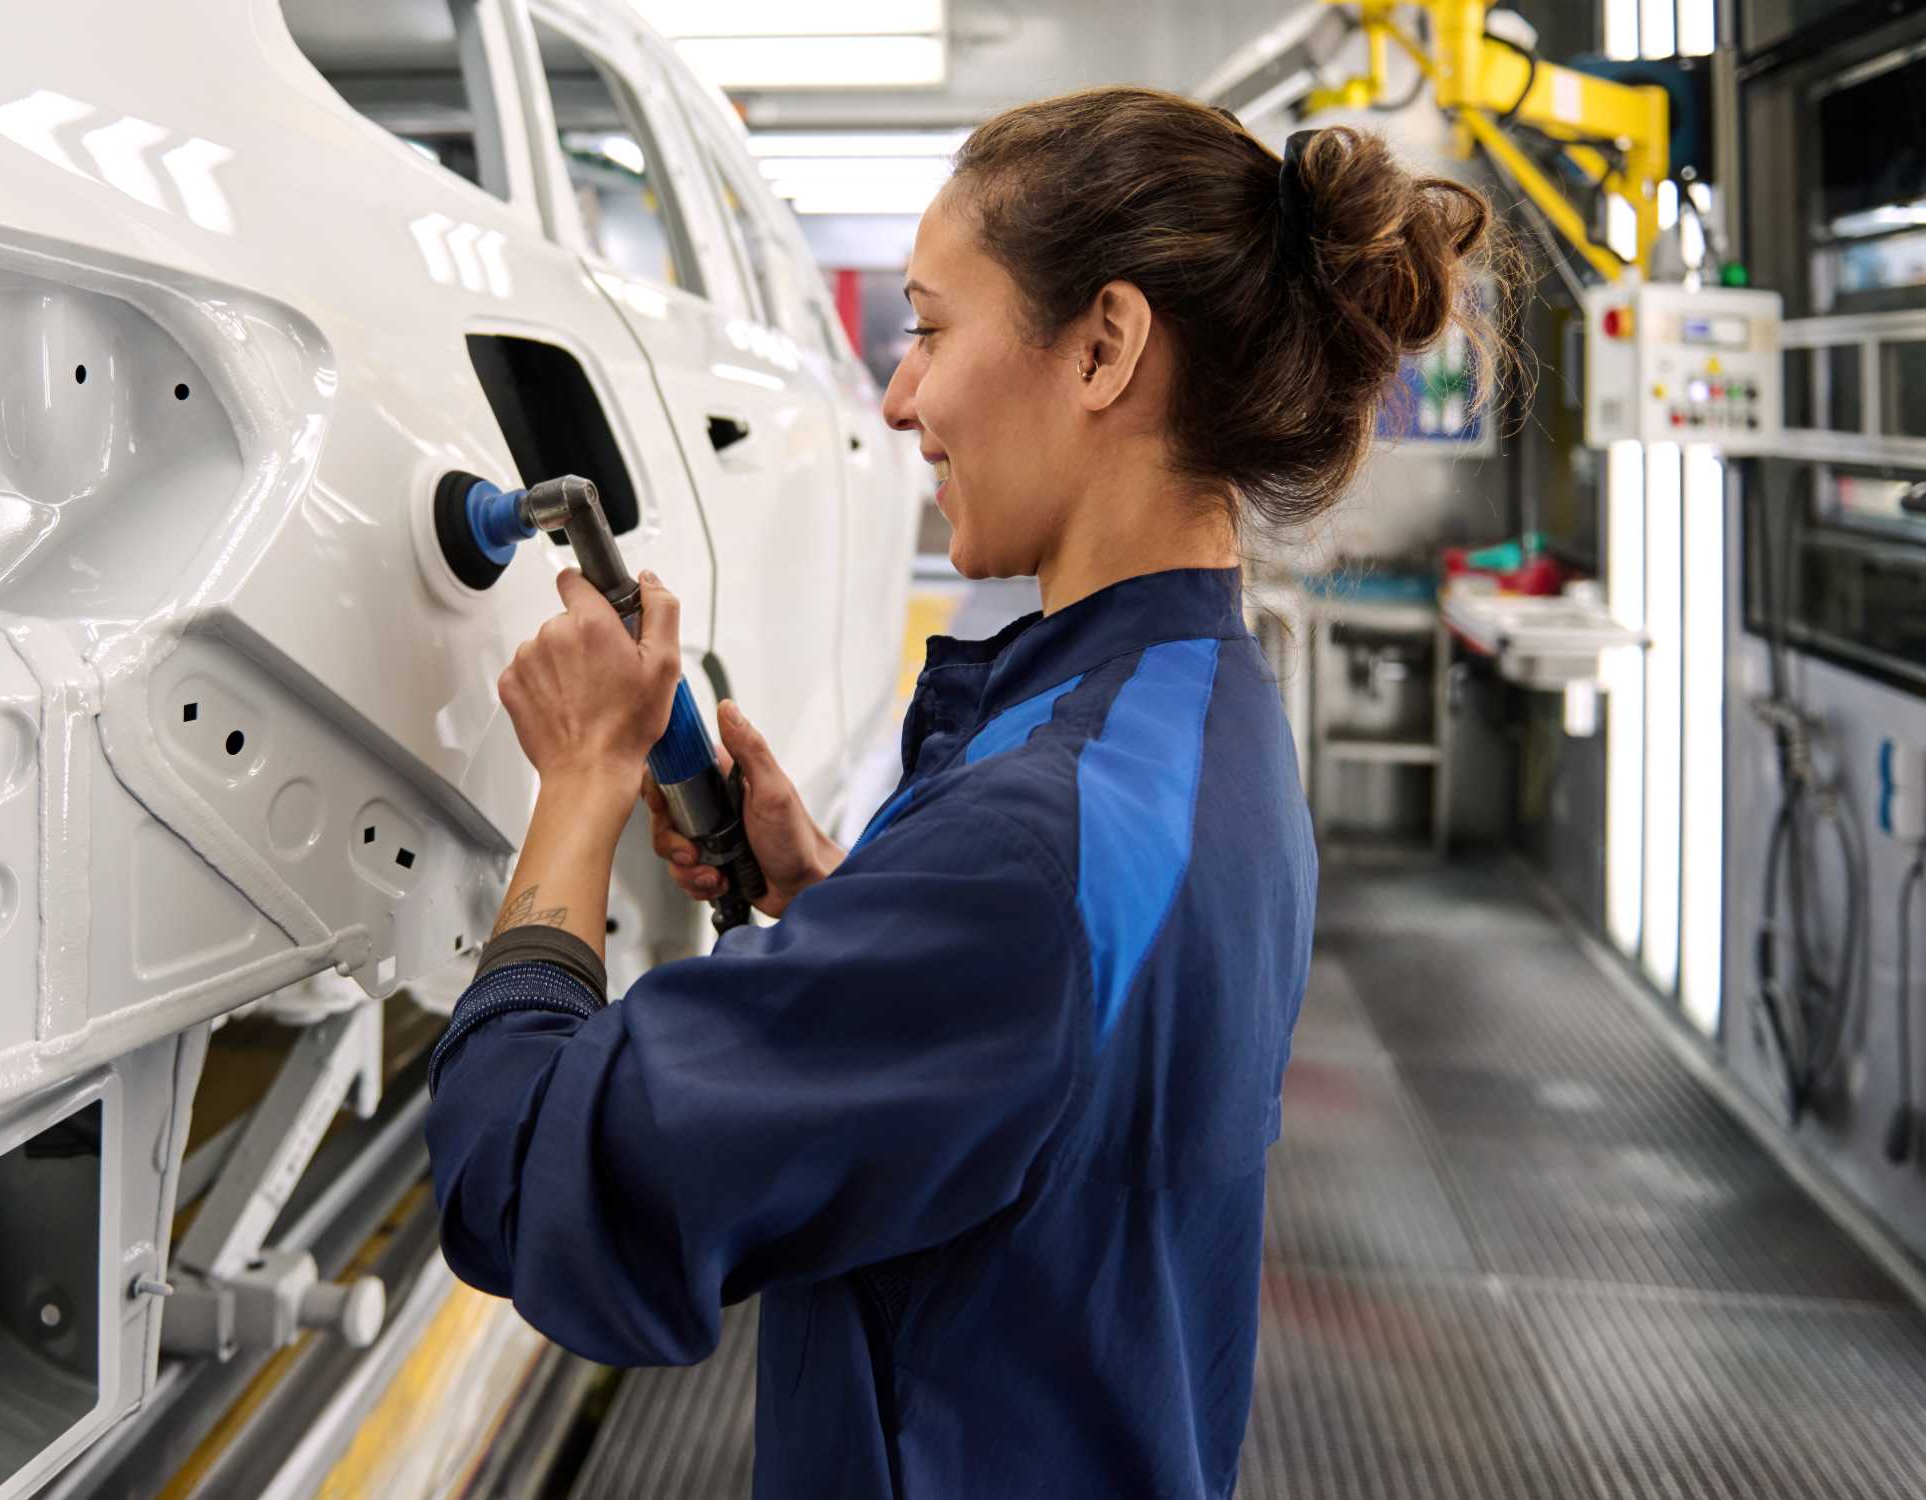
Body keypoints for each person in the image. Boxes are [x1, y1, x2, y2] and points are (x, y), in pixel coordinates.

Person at [424, 86, 1497, 1499]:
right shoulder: (1196, 716)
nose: (896, 398)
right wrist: (842, 899)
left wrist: (580, 783)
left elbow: (520, 1180)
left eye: (929, 329)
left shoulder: (1030, 855)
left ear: (1104, 347)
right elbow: (1054, 1053)